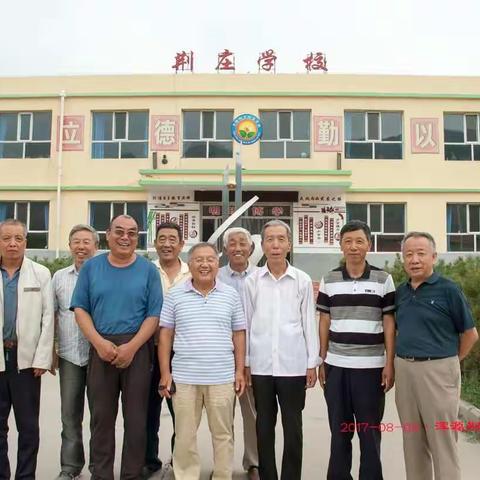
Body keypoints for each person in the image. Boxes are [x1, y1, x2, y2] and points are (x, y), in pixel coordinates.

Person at [71, 214, 163, 480]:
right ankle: (101, 474)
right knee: (101, 418)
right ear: (108, 235)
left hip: (137, 348)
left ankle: (131, 474)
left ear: (137, 238)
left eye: (132, 233)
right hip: (101, 347)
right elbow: (80, 309)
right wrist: (99, 343)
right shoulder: (91, 268)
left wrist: (132, 347)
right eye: (119, 232)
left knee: (136, 420)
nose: (125, 237)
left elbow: (153, 315)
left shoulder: (147, 270)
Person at [395, 231, 478, 480]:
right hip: (405, 371)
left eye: (421, 253)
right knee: (412, 440)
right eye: (409, 254)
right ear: (403, 259)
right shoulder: (401, 292)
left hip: (439, 371)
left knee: (442, 439)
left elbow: (470, 334)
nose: (415, 259)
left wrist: (451, 361)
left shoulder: (448, 290)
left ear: (433, 256)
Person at [159, 242, 246, 480]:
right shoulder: (175, 295)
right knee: (185, 435)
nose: (205, 264)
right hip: (185, 378)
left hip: (222, 377)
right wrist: (165, 373)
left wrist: (240, 371)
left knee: (223, 434)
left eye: (210, 259)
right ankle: (186, 475)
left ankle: (222, 475)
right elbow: (165, 333)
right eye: (199, 259)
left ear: (218, 264)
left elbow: (239, 333)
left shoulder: (230, 294)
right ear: (190, 264)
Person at [317, 220, 396, 480]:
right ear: (340, 245)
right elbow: (325, 321)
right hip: (337, 366)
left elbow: (388, 321)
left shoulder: (383, 279)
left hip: (371, 369)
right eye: (348, 241)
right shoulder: (329, 279)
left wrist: (389, 363)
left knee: (369, 431)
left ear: (369, 245)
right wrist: (322, 359)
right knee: (340, 431)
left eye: (359, 241)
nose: (353, 247)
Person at [243, 220, 319, 480]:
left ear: (289, 244)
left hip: (293, 366)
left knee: (293, 428)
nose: (275, 245)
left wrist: (312, 363)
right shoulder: (252, 281)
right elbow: (246, 322)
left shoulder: (302, 280)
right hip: (261, 367)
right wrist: (246, 363)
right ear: (262, 245)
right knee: (264, 427)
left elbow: (309, 322)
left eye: (280, 239)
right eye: (269, 240)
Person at [0, 218, 54, 480]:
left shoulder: (40, 273)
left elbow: (48, 318)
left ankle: (25, 476)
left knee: (28, 427)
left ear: (25, 242)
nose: (12, 244)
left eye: (18, 239)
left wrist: (42, 358)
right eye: (6, 238)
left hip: (26, 362)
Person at [143, 222, 190, 479]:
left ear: (181, 244)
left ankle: (177, 460)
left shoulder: (191, 271)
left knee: (181, 411)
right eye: (162, 238)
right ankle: (149, 459)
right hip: (149, 350)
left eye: (173, 239)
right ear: (155, 243)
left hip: (181, 353)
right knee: (148, 410)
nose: (167, 243)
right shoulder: (146, 271)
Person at [52, 224, 99, 480]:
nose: (81, 247)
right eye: (76, 242)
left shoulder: (103, 274)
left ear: (96, 246)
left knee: (99, 416)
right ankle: (70, 467)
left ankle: (97, 467)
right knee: (69, 414)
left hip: (98, 355)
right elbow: (51, 316)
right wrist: (51, 351)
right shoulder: (59, 277)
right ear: (70, 246)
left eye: (86, 242)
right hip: (69, 355)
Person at [217, 227, 259, 480]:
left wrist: (250, 361)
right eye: (232, 243)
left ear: (251, 248)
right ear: (225, 249)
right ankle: (223, 465)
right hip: (222, 356)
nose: (238, 248)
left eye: (243, 243)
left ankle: (254, 462)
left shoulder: (262, 276)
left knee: (253, 415)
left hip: (255, 357)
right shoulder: (216, 275)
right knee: (221, 416)